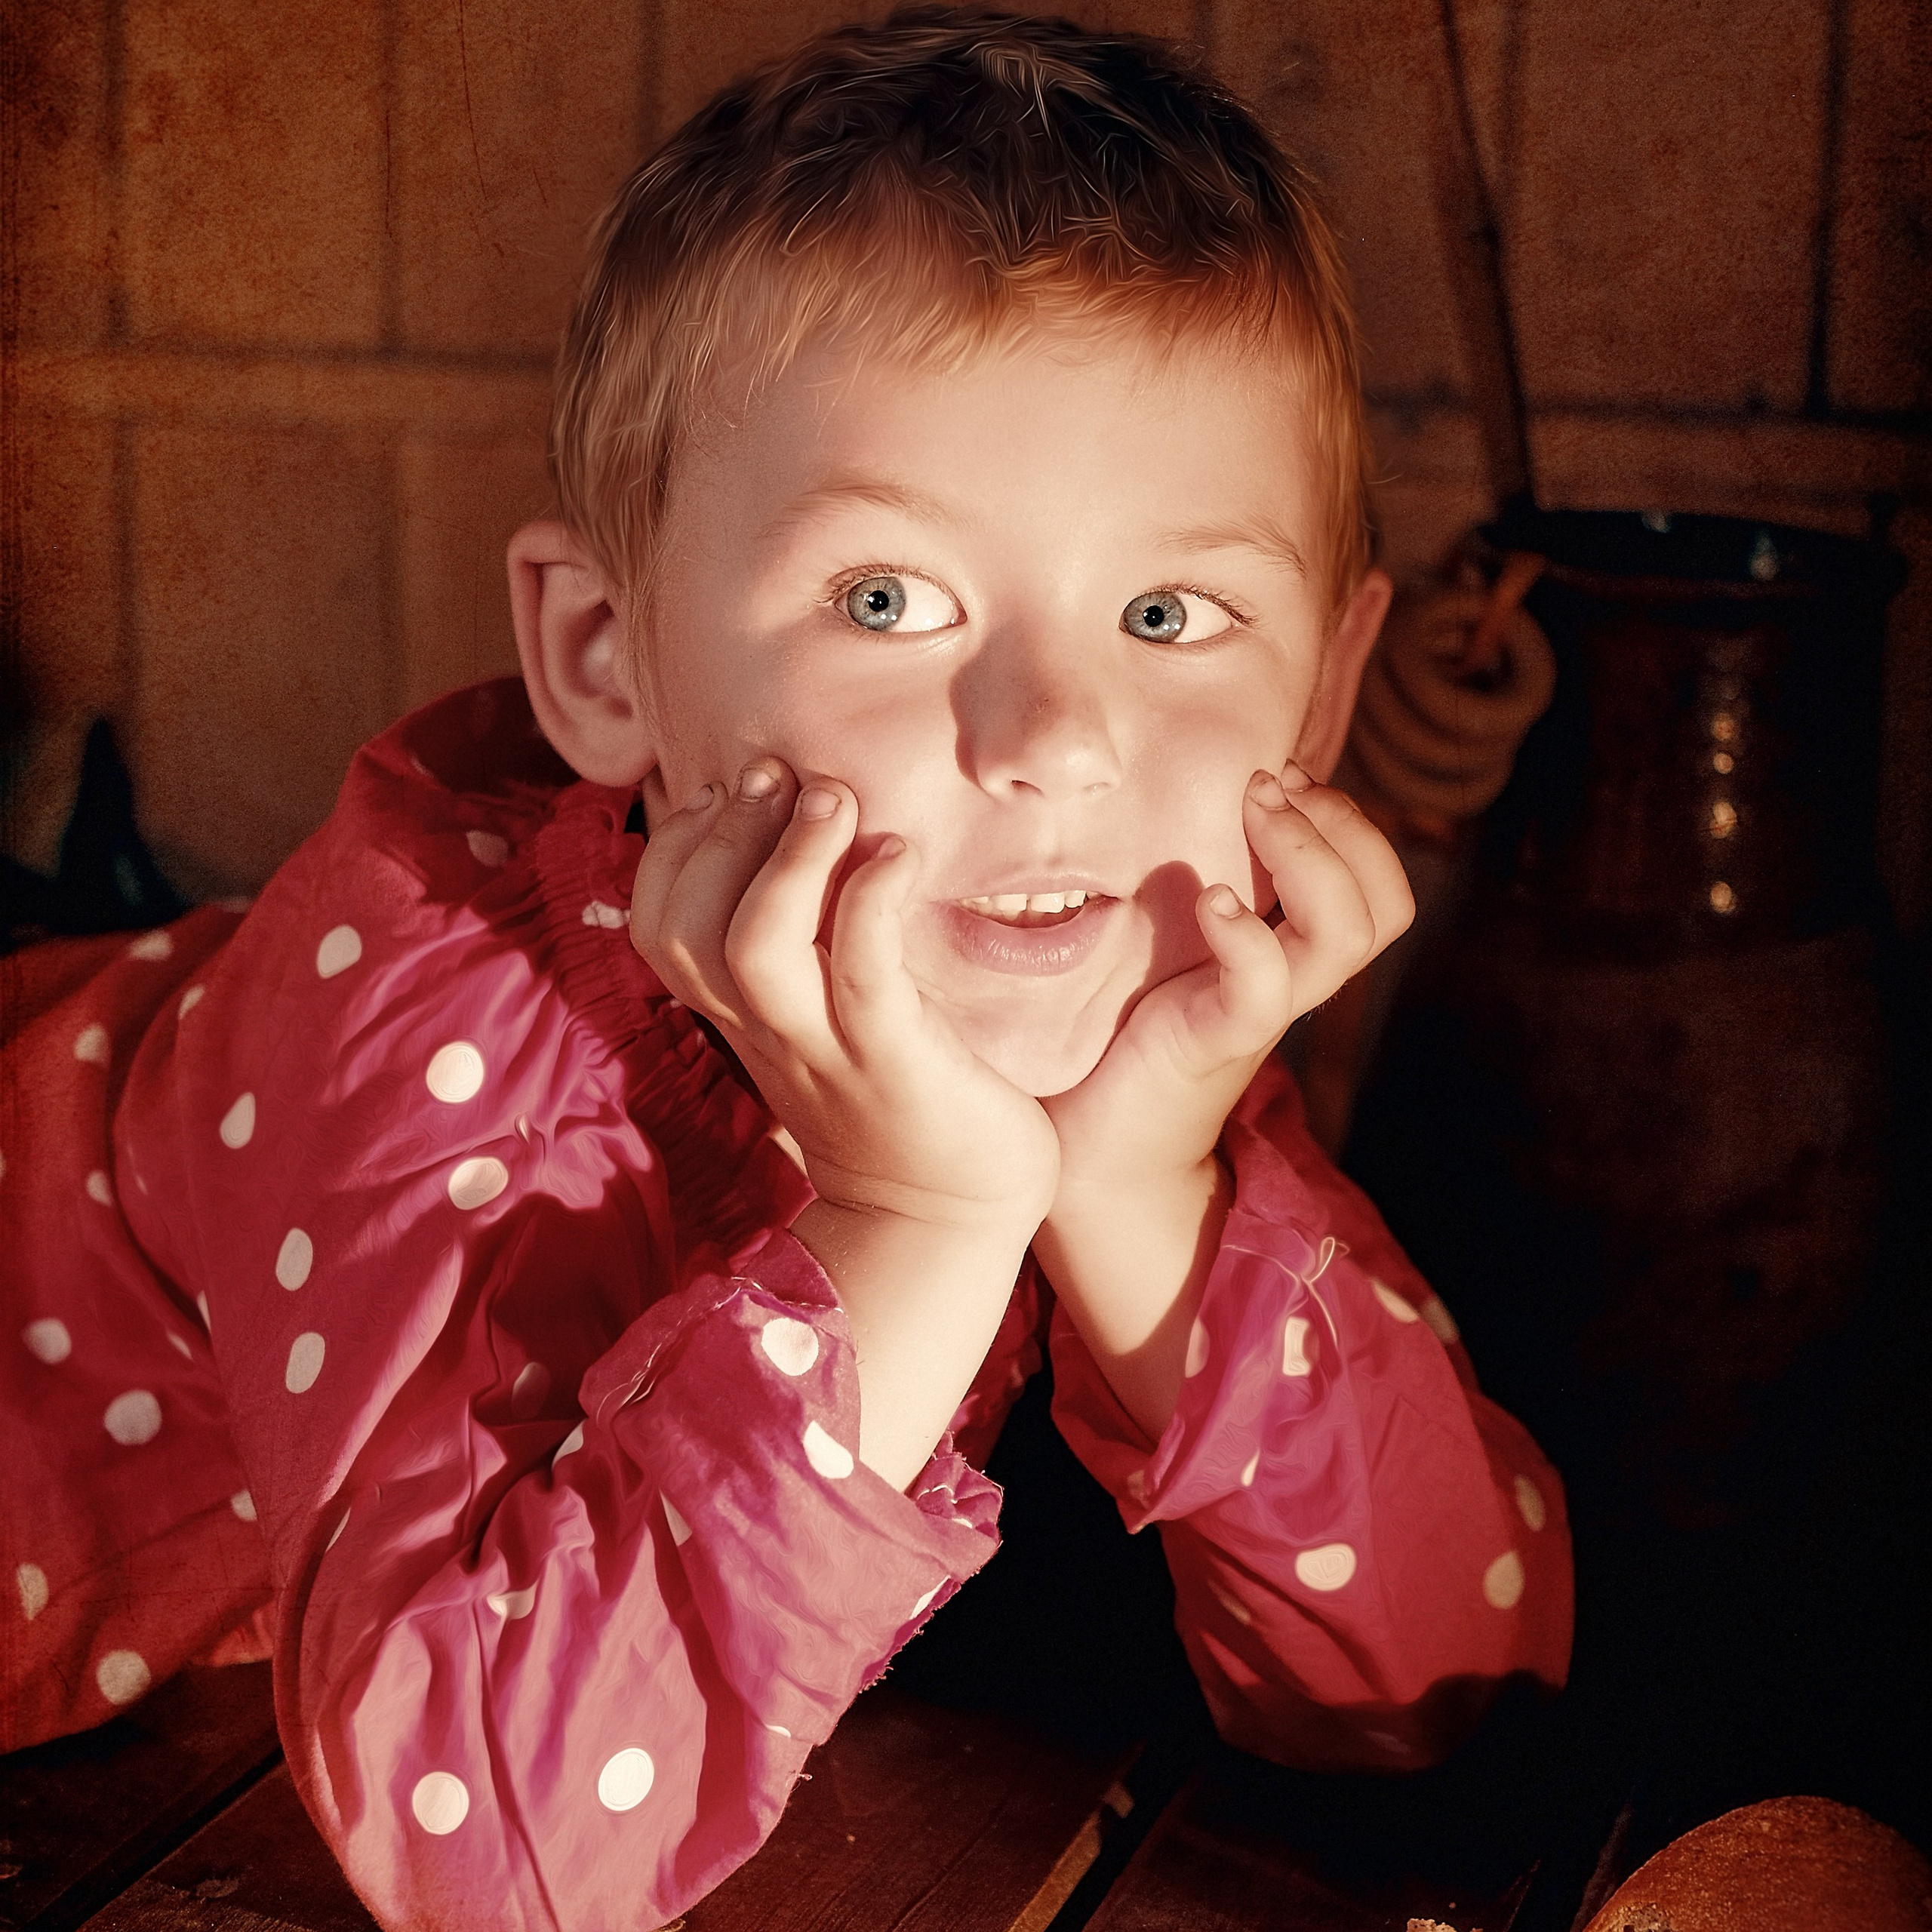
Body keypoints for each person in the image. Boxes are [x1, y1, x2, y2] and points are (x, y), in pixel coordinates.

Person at [2, 11, 1573, 1926]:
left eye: (1171, 614)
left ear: (1320, 688)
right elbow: (486, 1850)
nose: (1055, 738)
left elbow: (1438, 1680)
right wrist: (918, 1209)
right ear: (607, 662)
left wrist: (1141, 1188)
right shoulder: (422, 996)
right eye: (887, 601)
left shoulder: (1098, 967)